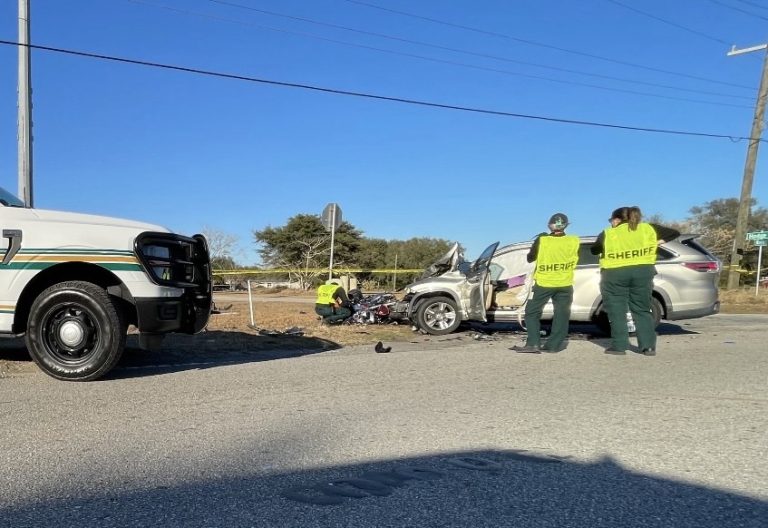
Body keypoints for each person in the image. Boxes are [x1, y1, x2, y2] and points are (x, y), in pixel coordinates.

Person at [590, 206, 679, 356]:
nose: (611, 223)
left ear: (617, 219)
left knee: (617, 311)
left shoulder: (608, 234)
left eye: (611, 220)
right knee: (642, 309)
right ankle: (648, 347)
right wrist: (655, 243)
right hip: (642, 272)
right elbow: (674, 233)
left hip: (614, 274)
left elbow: (594, 250)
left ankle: (619, 346)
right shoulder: (648, 228)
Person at [511, 213, 580, 354]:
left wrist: (539, 241)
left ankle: (533, 343)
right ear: (566, 225)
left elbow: (530, 258)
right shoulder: (574, 240)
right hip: (565, 283)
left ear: (550, 225)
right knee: (561, 314)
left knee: (532, 312)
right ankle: (554, 346)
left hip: (545, 283)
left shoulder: (542, 240)